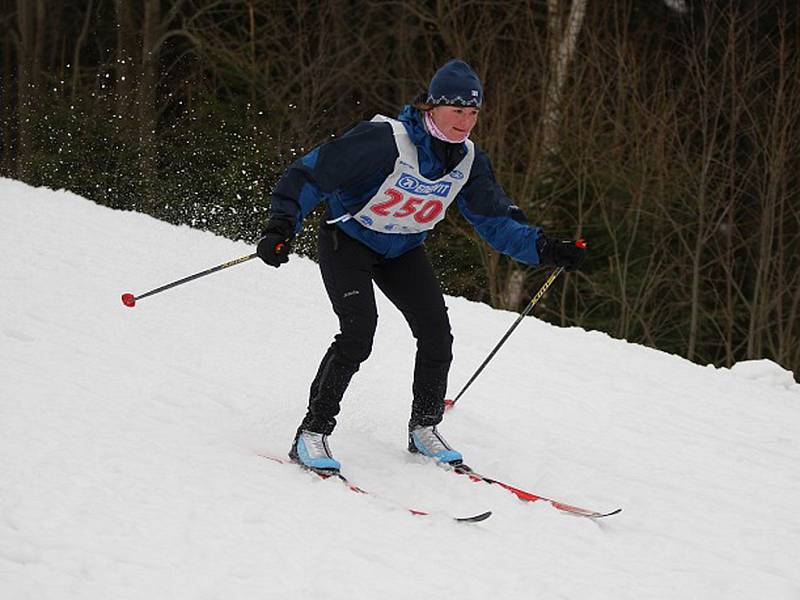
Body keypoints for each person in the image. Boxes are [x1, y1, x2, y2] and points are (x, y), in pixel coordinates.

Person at [257, 59, 585, 472]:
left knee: (436, 335)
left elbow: (497, 221)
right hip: (350, 241)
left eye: (473, 113)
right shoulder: (385, 140)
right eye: (457, 111)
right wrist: (281, 225)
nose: (465, 122)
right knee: (359, 333)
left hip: (403, 250)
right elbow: (311, 173)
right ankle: (312, 433)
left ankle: (424, 428)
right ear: (432, 107)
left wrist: (547, 249)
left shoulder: (468, 161)